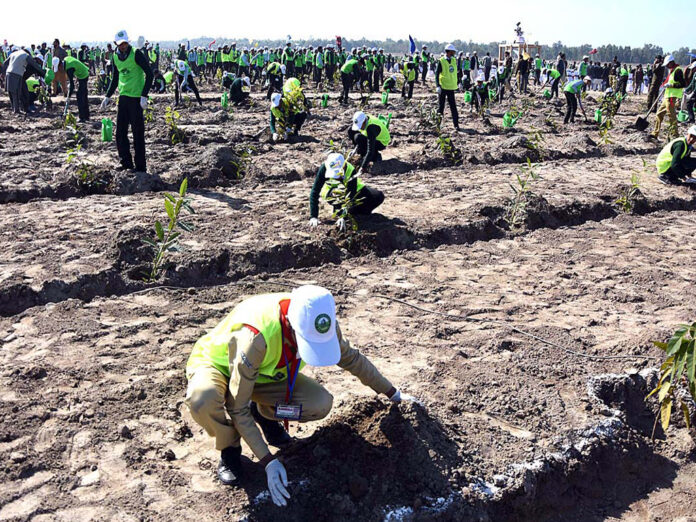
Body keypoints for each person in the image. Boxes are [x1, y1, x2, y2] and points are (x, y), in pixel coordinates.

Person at [185, 285, 414, 504]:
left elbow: (352, 359)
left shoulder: (319, 320)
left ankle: (265, 413)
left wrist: (393, 393)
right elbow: (237, 406)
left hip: (264, 376)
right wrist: (268, 461)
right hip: (219, 365)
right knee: (203, 400)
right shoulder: (256, 335)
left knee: (318, 403)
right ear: (291, 325)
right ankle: (230, 449)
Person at [101, 30, 153, 173]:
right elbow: (115, 78)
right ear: (116, 44)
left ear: (128, 42)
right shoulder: (115, 57)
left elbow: (149, 73)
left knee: (137, 133)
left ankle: (141, 167)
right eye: (120, 44)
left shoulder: (136, 54)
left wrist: (144, 95)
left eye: (125, 43)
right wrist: (108, 96)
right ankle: (126, 164)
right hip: (123, 98)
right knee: (120, 133)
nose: (123, 46)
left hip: (136, 98)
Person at [309, 153, 385, 230]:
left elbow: (350, 194)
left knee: (378, 196)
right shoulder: (324, 168)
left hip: (352, 190)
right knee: (338, 193)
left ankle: (355, 212)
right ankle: (339, 210)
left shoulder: (350, 169)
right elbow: (315, 191)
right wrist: (313, 216)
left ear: (343, 166)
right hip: (332, 192)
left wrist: (343, 216)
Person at [650, 55, 685, 141]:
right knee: (659, 114)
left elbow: (683, 84)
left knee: (671, 117)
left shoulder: (678, 71)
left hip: (672, 98)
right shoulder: (672, 71)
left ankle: (674, 136)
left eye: (667, 64)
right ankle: (655, 133)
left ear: (671, 62)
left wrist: (671, 85)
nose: (666, 66)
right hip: (667, 97)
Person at [2, 48, 47, 114]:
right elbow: (35, 65)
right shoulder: (26, 55)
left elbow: (5, 63)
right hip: (17, 75)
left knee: (11, 93)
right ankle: (16, 110)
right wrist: (43, 73)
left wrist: (3, 73)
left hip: (8, 73)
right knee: (16, 93)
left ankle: (16, 109)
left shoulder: (13, 53)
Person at [435, 44, 460, 132]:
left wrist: (459, 82)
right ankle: (438, 125)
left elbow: (455, 72)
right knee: (441, 107)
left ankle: (456, 125)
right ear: (449, 51)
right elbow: (437, 74)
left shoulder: (454, 60)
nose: (454, 53)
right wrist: (438, 85)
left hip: (451, 87)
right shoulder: (441, 61)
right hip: (443, 87)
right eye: (453, 51)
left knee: (453, 107)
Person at [61, 55, 90, 121]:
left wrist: (69, 95)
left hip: (83, 75)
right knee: (84, 96)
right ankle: (86, 116)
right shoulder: (66, 59)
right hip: (82, 72)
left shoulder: (69, 69)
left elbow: (72, 84)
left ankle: (82, 117)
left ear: (60, 65)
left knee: (80, 96)